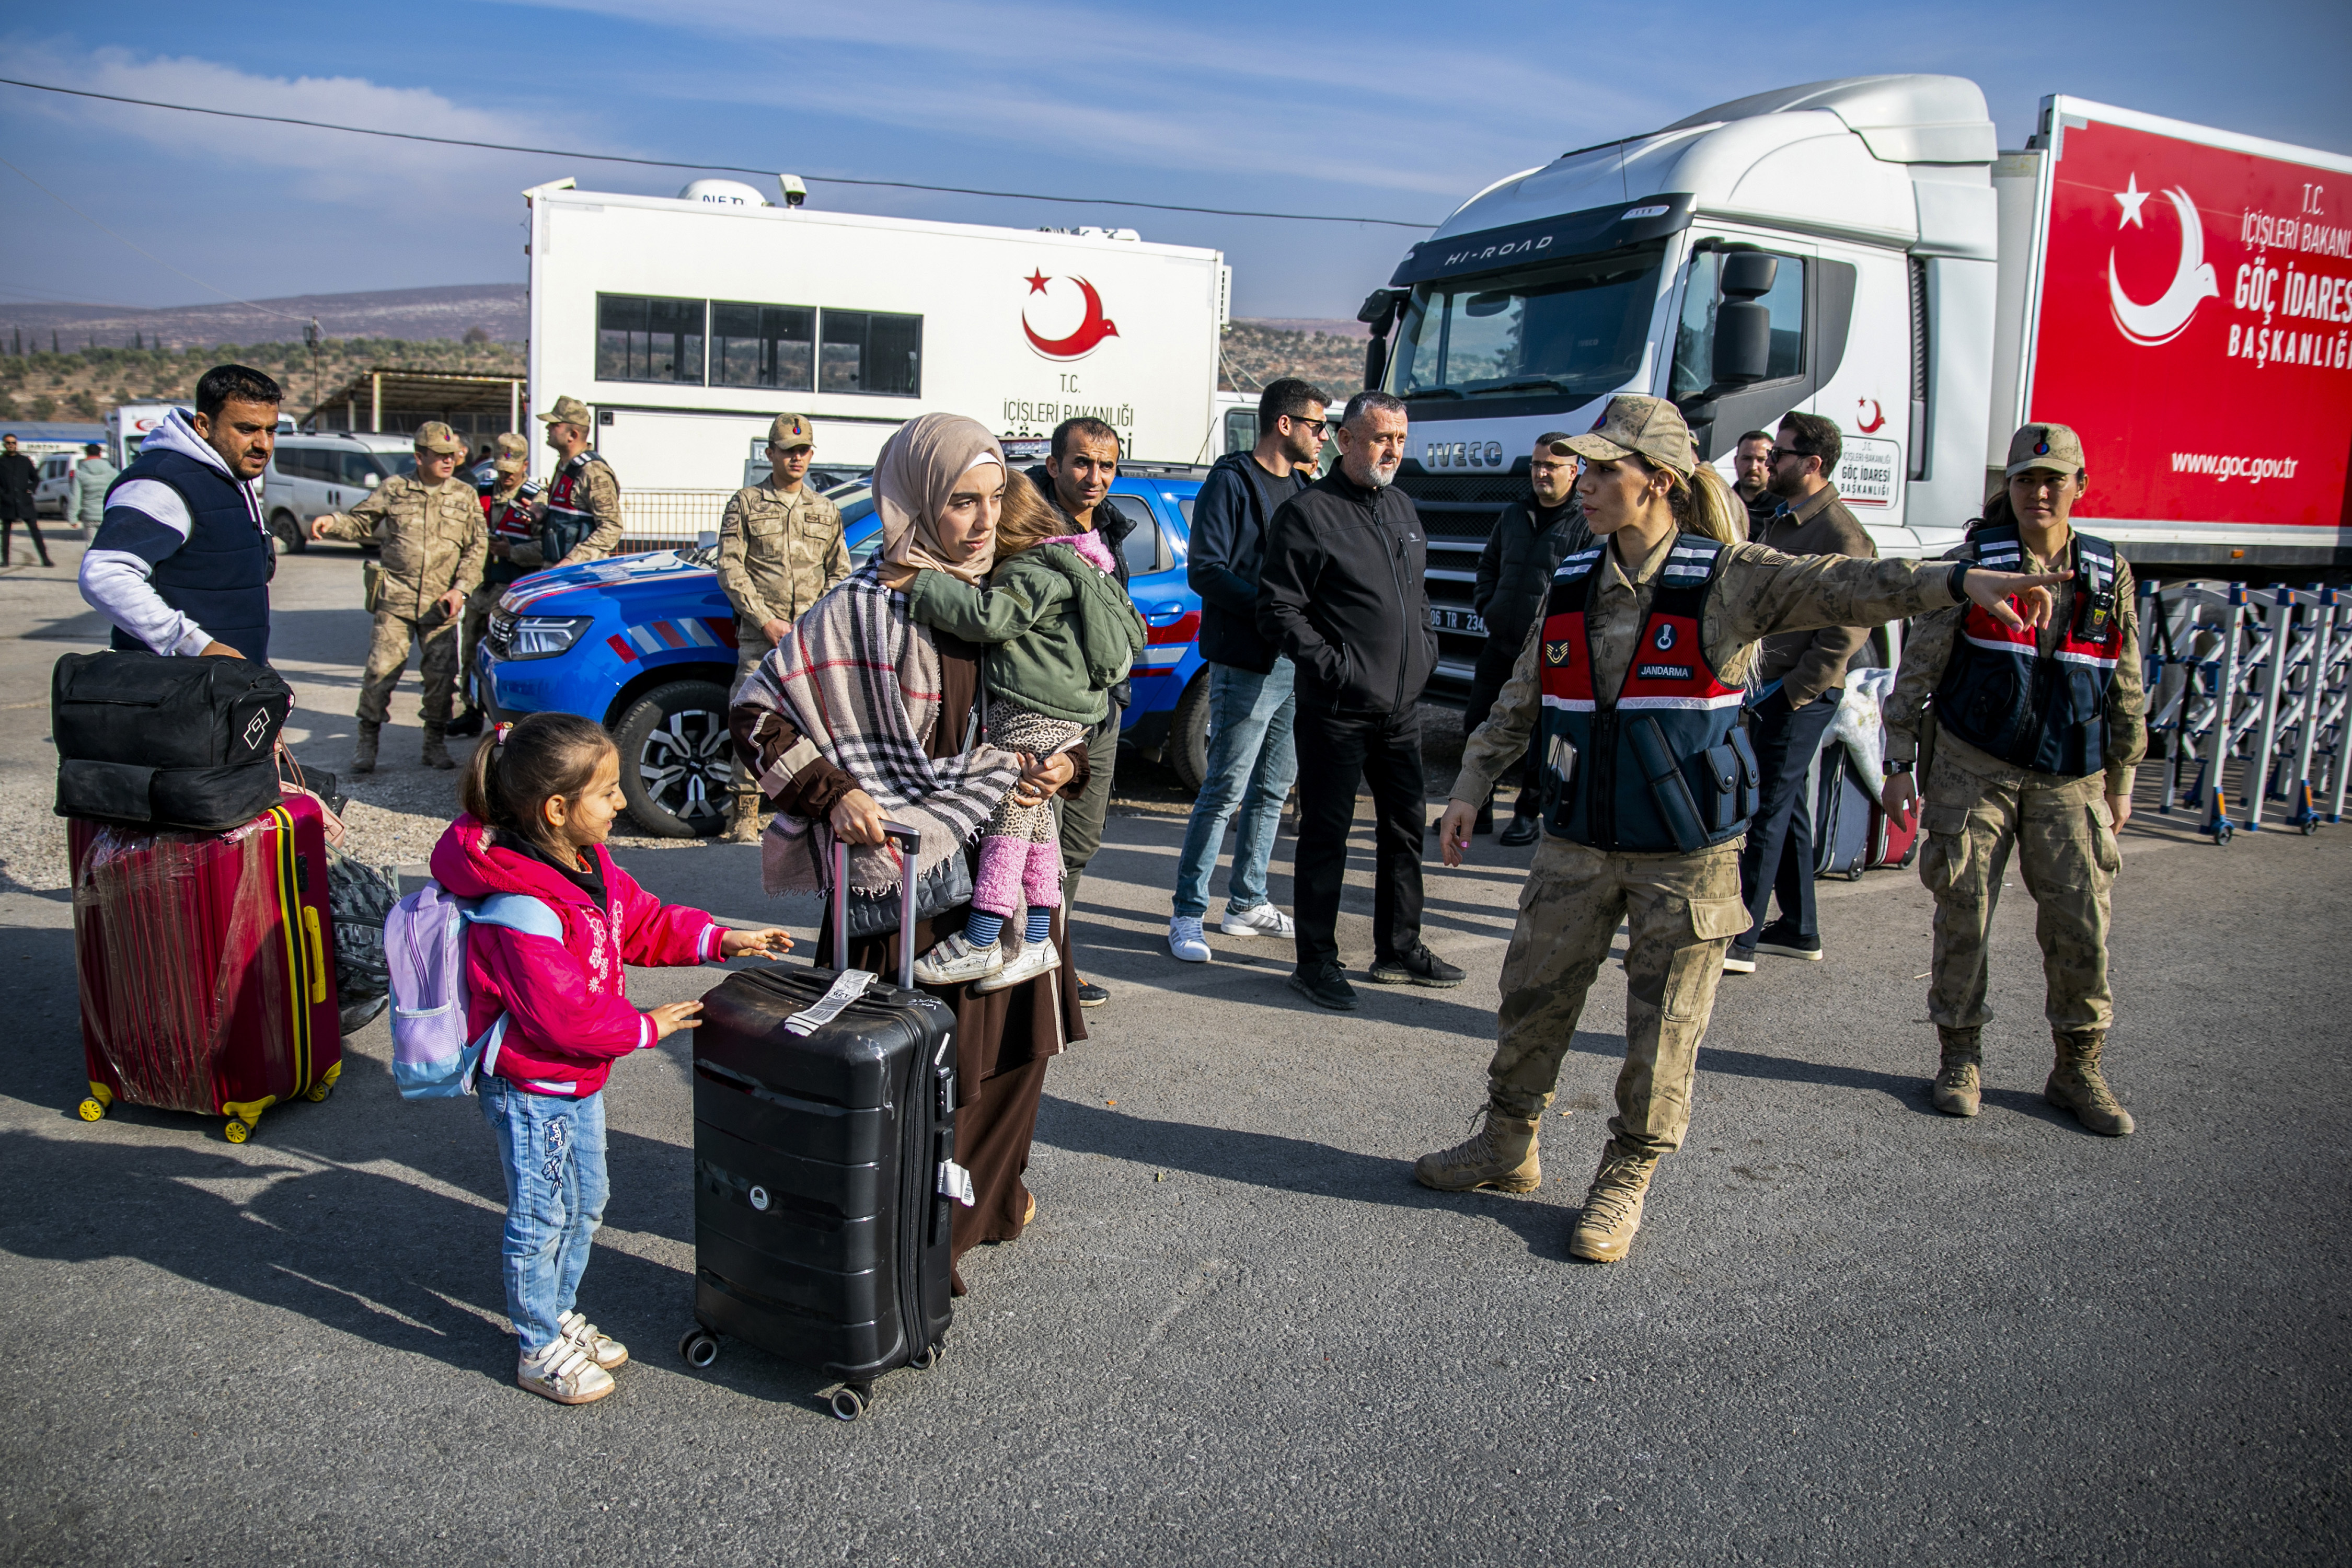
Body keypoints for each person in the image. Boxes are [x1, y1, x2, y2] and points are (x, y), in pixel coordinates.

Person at [1414, 394, 2068, 1264]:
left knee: (1665, 1024)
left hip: (1686, 853)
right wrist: (1471, 785)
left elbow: (1843, 584)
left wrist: (1955, 582)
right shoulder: (1574, 578)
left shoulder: (1729, 576)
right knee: (1532, 996)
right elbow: (1522, 696)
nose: (1586, 484)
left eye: (1606, 469)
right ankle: (1508, 1142)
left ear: (1659, 482)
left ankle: (1628, 1171)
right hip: (1578, 841)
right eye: (1586, 468)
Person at [729, 412, 1092, 1292]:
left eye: (994, 497)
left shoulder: (1016, 592)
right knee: (916, 1070)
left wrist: (1066, 765)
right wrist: (834, 793)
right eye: (961, 501)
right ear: (915, 501)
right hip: (904, 887)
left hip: (1007, 875)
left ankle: (987, 1201)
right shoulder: (861, 607)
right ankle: (910, 1248)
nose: (982, 520)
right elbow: (754, 714)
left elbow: (1074, 708)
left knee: (1013, 1056)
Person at [432, 710, 794, 1404]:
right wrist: (646, 1027)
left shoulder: (586, 863)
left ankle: (558, 1311)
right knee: (542, 1215)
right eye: (607, 792)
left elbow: (643, 923)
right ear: (557, 809)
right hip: (532, 1087)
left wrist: (720, 939)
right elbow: (561, 1016)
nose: (623, 801)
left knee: (586, 1201)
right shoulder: (520, 905)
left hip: (576, 1079)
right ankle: (538, 1344)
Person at [1882, 422, 2146, 1136]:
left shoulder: (2108, 572)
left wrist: (2123, 774)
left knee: (2081, 925)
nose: (2039, 493)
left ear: (2080, 487)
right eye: (2026, 480)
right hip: (1975, 769)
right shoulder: (1974, 564)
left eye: (2053, 480)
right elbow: (1920, 667)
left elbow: (2124, 678)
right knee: (1964, 916)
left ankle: (2078, 1067)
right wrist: (1899, 762)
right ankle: (1960, 1056)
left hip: (2071, 778)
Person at [892, 471, 1145, 991]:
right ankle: (1038, 940)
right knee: (1036, 825)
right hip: (1061, 712)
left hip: (1034, 711)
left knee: (1009, 816)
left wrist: (922, 584)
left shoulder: (1029, 567)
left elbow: (992, 619)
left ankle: (983, 939)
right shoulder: (1070, 559)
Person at [1255, 389, 1461, 1010]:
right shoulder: (1309, 514)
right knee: (1327, 836)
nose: (1392, 450)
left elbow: (1416, 595)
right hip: (1337, 709)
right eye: (1380, 439)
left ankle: (1399, 948)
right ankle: (1315, 962)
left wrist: (1424, 650)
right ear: (1346, 440)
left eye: (1400, 439)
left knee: (1405, 830)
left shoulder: (1401, 506)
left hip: (1401, 710)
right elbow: (1278, 609)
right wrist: (1337, 669)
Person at [1165, 378, 1325, 964]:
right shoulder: (1231, 482)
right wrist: (1273, 610)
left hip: (1293, 661)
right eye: (1317, 425)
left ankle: (1247, 902)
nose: (1324, 436)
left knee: (1273, 789)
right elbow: (1206, 570)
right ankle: (1187, 914)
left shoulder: (1304, 487)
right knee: (1224, 791)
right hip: (1246, 661)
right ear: (1285, 424)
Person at [1724, 411, 1875, 974]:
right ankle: (1799, 928)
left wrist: (1795, 690)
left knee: (1764, 808)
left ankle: (1737, 939)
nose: (1769, 462)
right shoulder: (1784, 521)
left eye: (1780, 454)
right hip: (1767, 687)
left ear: (1813, 464)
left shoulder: (1842, 535)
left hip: (1798, 693)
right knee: (1787, 808)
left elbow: (1849, 626)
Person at [1024, 417, 1135, 1009]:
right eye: (1083, 462)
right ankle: (1032, 965)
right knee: (1032, 843)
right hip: (1049, 710)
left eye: (1107, 465)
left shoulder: (1111, 527)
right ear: (1054, 465)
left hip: (1104, 711)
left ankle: (1054, 956)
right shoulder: (1026, 523)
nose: (1095, 476)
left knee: (1079, 844)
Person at [309, 421, 487, 773]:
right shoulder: (395, 489)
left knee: (441, 679)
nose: (449, 461)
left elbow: (477, 547)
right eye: (440, 455)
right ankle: (367, 743)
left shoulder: (464, 495)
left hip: (441, 604)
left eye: (452, 455)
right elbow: (360, 522)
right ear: (419, 457)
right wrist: (333, 522)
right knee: (380, 674)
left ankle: (434, 744)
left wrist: (461, 589)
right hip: (396, 601)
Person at [82, 364, 281, 663]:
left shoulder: (227, 475)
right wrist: (193, 644)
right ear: (203, 425)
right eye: (246, 429)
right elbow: (105, 574)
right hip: (177, 683)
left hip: (227, 679)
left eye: (271, 430)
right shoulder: (162, 483)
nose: (263, 444)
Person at [715, 413, 850, 842]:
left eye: (804, 450)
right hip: (762, 637)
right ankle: (744, 813)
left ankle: (808, 809)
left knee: (814, 723)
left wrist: (812, 623)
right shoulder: (746, 503)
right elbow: (731, 568)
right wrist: (764, 620)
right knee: (749, 719)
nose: (797, 458)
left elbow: (839, 572)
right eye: (788, 451)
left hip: (809, 640)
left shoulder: (825, 510)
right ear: (770, 453)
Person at [1467, 432, 1590, 848]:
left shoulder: (1585, 521)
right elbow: (1488, 565)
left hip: (1553, 650)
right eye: (1536, 465)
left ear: (1573, 472)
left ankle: (1526, 814)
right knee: (1479, 721)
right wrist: (1489, 607)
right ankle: (1477, 808)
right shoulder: (1514, 514)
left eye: (1551, 466)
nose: (1541, 473)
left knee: (1543, 735)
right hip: (1501, 642)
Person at [448, 433, 541, 739]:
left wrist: (512, 551)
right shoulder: (481, 491)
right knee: (470, 654)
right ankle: (471, 711)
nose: (506, 476)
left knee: (504, 661)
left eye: (511, 470)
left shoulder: (536, 499)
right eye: (501, 469)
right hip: (481, 588)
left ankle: (507, 725)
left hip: (512, 596)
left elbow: (547, 549)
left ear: (525, 465)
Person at [536, 395, 624, 565]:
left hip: (581, 573)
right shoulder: (566, 467)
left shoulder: (593, 472)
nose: (548, 427)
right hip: (557, 569)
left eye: (555, 424)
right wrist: (540, 512)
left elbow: (612, 527)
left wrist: (573, 559)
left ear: (573, 435)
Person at [1, 433, 52, 567]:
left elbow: (35, 478)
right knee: (6, 532)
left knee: (35, 530)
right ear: (4, 445)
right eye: (8, 443)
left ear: (16, 444)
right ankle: (5, 560)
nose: (11, 445)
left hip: (25, 502)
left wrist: (30, 489)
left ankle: (45, 559)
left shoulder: (24, 461)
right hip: (8, 502)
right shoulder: (1, 461)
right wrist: (4, 495)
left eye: (13, 443)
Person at [1731, 429, 1777, 539]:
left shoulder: (1783, 509)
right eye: (1747, 459)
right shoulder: (1722, 504)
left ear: (1772, 462)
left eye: (1761, 460)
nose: (1753, 467)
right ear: (1736, 462)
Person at [66, 441, 118, 533]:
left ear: (86, 454)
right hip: (108, 514)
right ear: (100, 454)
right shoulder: (114, 473)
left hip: (89, 516)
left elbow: (75, 497)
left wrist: (73, 518)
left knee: (91, 542)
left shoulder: (79, 474)